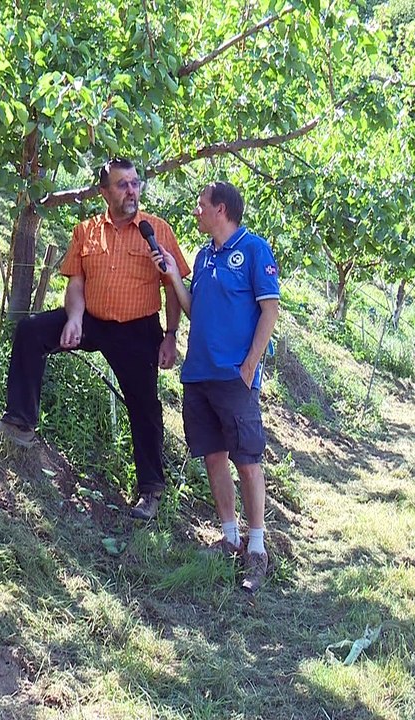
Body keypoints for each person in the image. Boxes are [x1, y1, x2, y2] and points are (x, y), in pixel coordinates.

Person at [0, 158, 191, 520]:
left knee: (145, 406)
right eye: (122, 185)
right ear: (104, 192)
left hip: (138, 330)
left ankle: (151, 491)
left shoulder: (157, 230)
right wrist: (74, 319)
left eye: (135, 184)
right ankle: (20, 425)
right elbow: (75, 282)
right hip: (91, 318)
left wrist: (170, 335)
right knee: (31, 331)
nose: (131, 191)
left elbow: (173, 286)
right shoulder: (86, 231)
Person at [152, 181, 280, 594]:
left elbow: (270, 310)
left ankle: (257, 549)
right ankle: (229, 536)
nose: (196, 211)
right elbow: (195, 311)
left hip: (234, 377)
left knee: (247, 459)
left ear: (220, 209)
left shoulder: (254, 249)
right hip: (199, 374)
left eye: (201, 205)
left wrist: (249, 366)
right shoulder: (204, 256)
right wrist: (174, 276)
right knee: (213, 457)